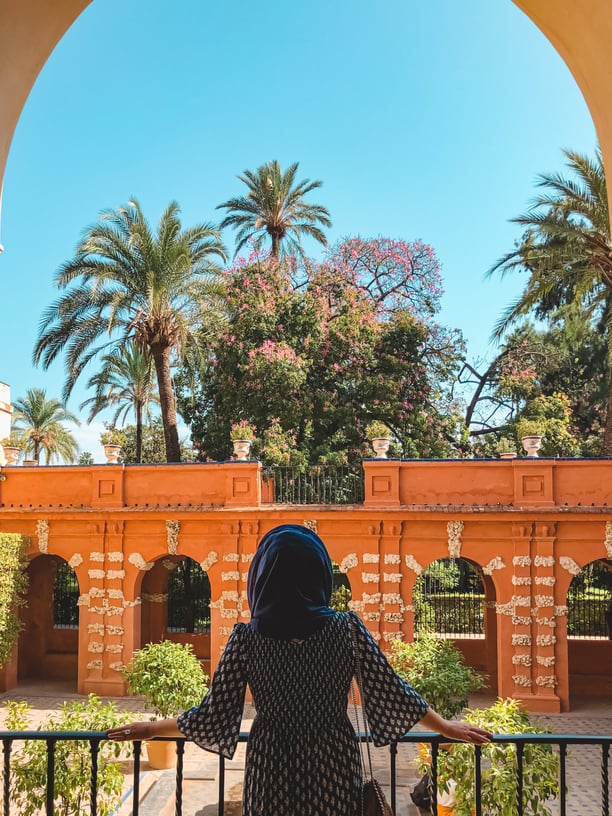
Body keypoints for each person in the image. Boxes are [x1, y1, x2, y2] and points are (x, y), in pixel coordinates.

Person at [108, 523, 491, 815]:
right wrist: (447, 728)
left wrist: (150, 729)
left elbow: (213, 715)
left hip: (270, 766)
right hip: (333, 765)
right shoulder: (347, 630)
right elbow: (393, 692)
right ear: (318, 573)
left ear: (262, 576)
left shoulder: (246, 639)